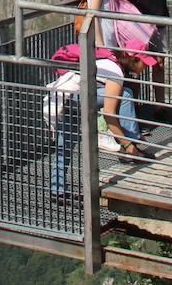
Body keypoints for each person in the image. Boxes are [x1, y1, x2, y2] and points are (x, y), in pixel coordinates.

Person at [50, 46, 156, 202]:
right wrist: (127, 144)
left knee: (64, 143)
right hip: (78, 95)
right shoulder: (115, 72)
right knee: (125, 94)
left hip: (65, 94)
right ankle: (132, 147)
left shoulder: (108, 60)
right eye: (144, 63)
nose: (146, 67)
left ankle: (56, 190)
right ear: (134, 59)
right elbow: (109, 115)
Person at [82, 0, 143, 141]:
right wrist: (101, 47)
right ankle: (112, 134)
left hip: (109, 44)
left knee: (116, 89)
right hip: (102, 48)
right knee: (114, 89)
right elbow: (94, 17)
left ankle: (116, 133)